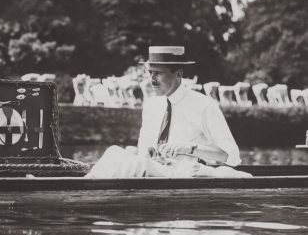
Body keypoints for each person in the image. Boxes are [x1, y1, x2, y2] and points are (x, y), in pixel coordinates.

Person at [87, 46, 248, 179]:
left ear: (178, 74)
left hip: (186, 174)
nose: (152, 79)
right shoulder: (151, 105)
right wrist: (149, 151)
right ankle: (81, 189)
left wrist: (188, 148)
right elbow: (144, 148)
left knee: (137, 164)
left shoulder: (204, 105)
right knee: (114, 151)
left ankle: (81, 195)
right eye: (150, 72)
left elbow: (230, 156)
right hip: (158, 170)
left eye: (158, 73)